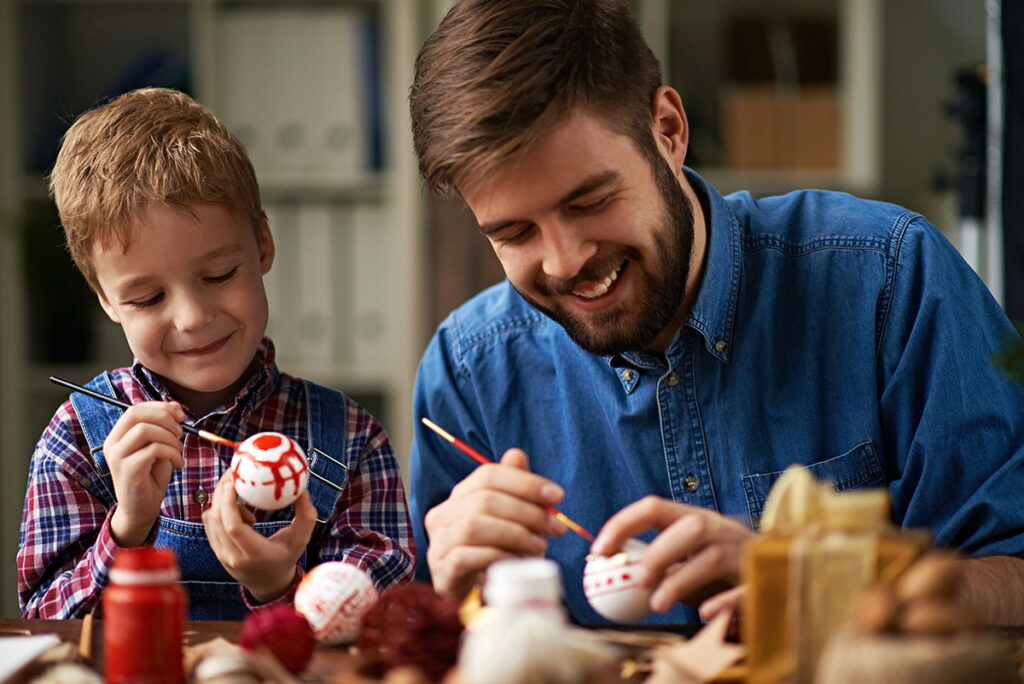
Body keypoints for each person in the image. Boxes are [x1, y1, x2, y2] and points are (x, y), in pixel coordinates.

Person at [407, 0, 1024, 626]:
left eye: (590, 200)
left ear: (669, 130)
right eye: (514, 233)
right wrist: (452, 600)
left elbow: (1013, 575)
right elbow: (441, 632)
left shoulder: (889, 278)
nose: (564, 262)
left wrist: (822, 585)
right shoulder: (468, 371)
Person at [18, 88, 415, 620]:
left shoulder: (348, 439)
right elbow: (45, 627)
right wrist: (127, 528)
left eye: (219, 275)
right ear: (106, 300)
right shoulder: (78, 440)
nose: (192, 317)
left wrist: (280, 586)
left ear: (263, 246)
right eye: (147, 298)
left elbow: (385, 630)